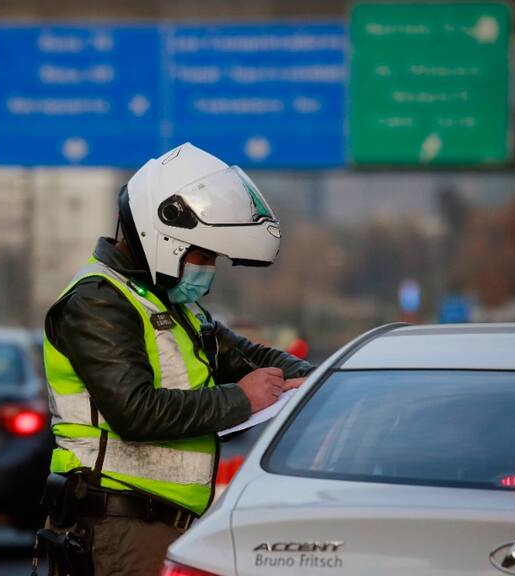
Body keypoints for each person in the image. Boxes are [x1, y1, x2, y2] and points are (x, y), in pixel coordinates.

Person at [38, 142, 314, 576]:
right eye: (203, 254)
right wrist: (242, 400)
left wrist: (323, 381)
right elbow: (135, 411)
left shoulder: (167, 301)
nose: (208, 268)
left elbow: (243, 354)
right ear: (163, 238)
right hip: (119, 525)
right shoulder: (97, 302)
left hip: (165, 524)